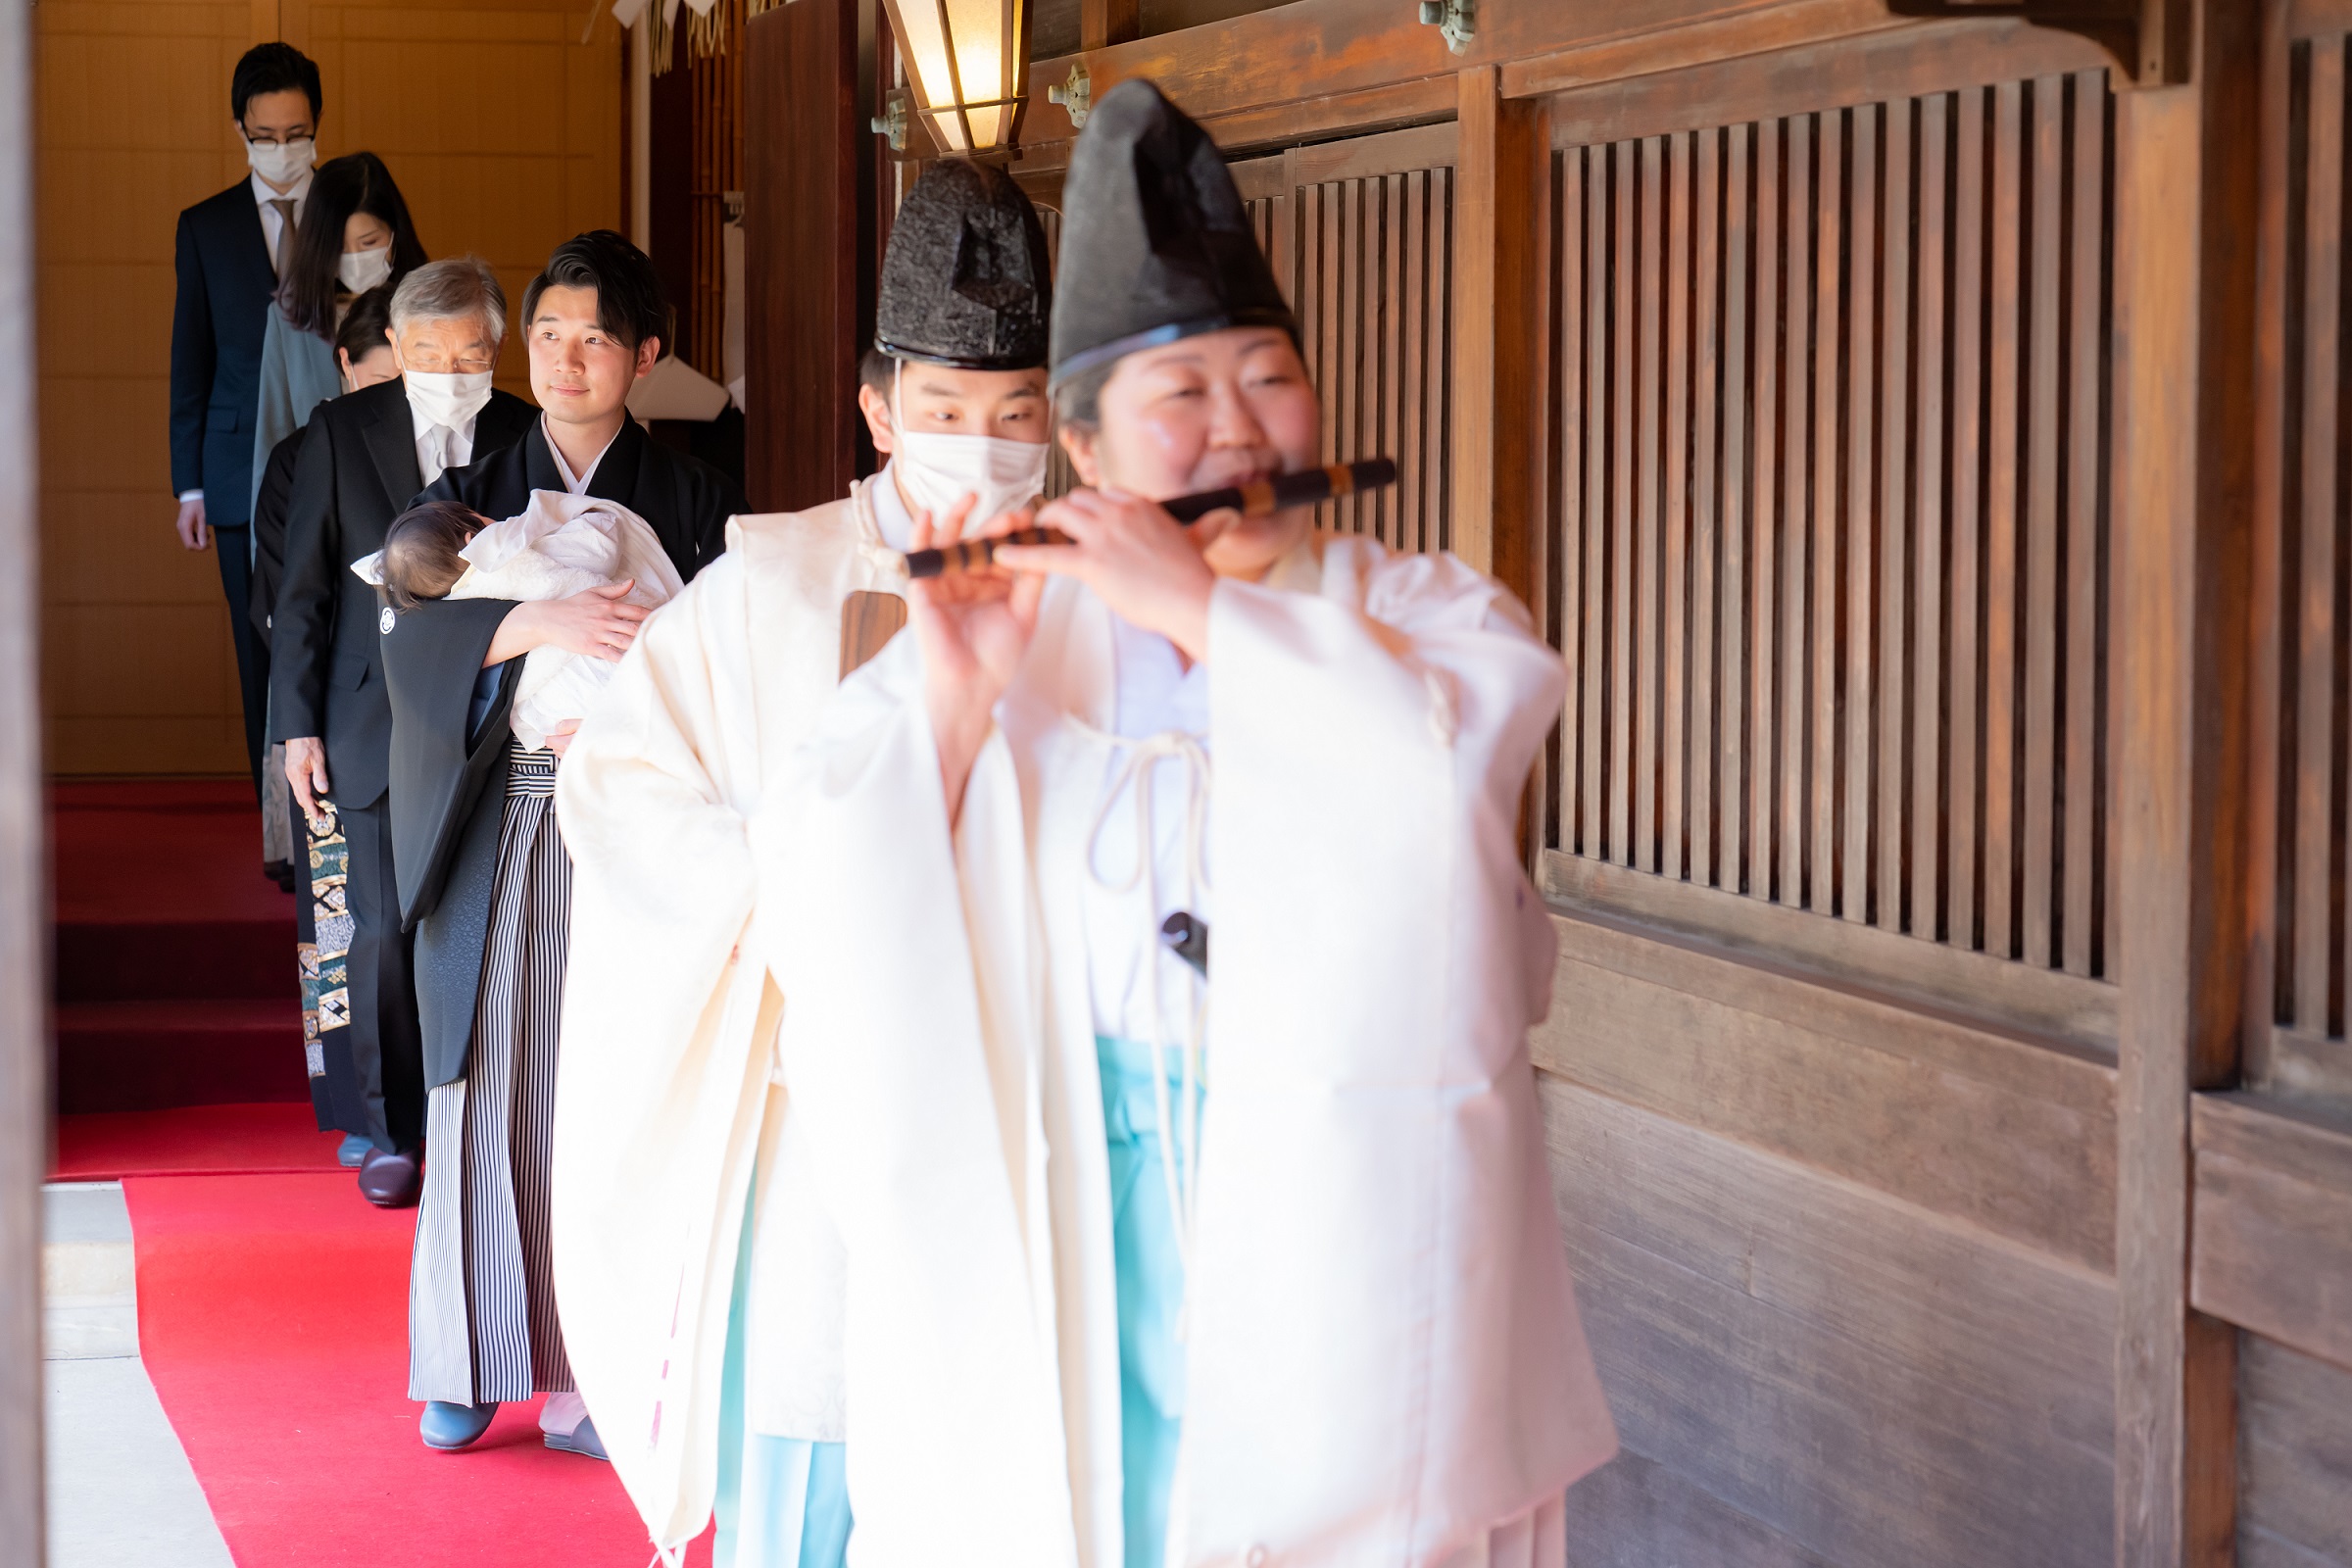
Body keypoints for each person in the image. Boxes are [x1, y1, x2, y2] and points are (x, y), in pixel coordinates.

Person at [752, 80, 1619, 1565]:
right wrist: (950, 709)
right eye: (1179, 396)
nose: (1236, 428)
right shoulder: (999, 642)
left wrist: (1209, 614)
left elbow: (1435, 816)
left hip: (1356, 1244)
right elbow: (821, 915)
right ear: (1083, 453)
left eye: (1266, 378)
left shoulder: (1422, 620)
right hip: (1076, 1235)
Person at [545, 160, 1052, 1566]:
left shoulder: (1091, 590)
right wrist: (795, 886)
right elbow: (622, 788)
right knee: (821, 1445)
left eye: (1016, 417)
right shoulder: (770, 586)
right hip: (820, 1108)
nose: (984, 446)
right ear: (881, 409)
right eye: (945, 413)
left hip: (1030, 1110)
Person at [375, 229, 745, 1457]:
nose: (567, 359)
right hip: (504, 811)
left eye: (595, 338)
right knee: (486, 1077)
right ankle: (471, 1356)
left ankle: (596, 1366)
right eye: (548, 335)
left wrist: (638, 709)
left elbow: (729, 664)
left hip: (632, 814)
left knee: (611, 1082)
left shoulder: (696, 493)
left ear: (647, 354)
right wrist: (531, 616)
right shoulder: (471, 476)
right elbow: (405, 643)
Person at [270, 259, 537, 1205]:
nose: (449, 365)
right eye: (427, 349)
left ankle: (477, 1116)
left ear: (495, 349)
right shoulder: (341, 432)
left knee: (472, 920)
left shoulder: (524, 431)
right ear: (400, 349)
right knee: (369, 928)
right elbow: (301, 594)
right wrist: (293, 728)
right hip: (360, 710)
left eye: (469, 350)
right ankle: (388, 1130)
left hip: (486, 706)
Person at [248, 284, 398, 1157]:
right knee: (335, 915)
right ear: (345, 366)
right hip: (335, 706)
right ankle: (350, 1103)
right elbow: (281, 601)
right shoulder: (305, 454)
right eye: (378, 377)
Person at [171, 40, 322, 807]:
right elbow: (189, 362)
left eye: (294, 134)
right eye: (264, 136)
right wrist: (188, 485)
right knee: (256, 640)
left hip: (332, 452)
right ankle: (275, 818)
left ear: (317, 129)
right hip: (235, 470)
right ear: (240, 131)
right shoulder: (204, 226)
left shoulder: (348, 212)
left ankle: (332, 804)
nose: (281, 150)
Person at [251, 151, 427, 518]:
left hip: (416, 514)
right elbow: (272, 440)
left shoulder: (432, 314)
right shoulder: (288, 319)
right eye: (339, 247)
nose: (354, 258)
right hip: (317, 514)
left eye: (368, 243)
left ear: (395, 233)